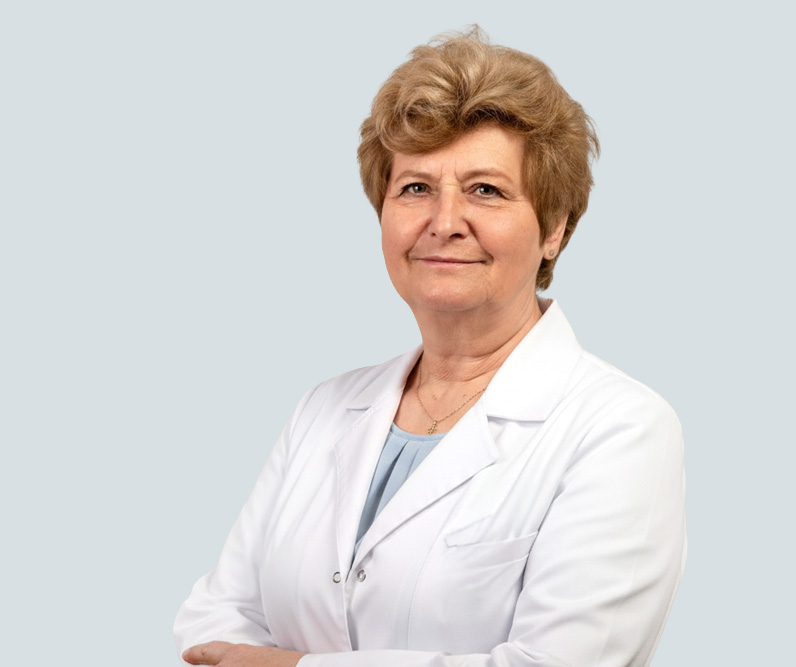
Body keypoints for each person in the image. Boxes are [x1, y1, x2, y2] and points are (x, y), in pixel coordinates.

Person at [174, 27, 686, 667]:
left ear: (554, 228)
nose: (444, 223)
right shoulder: (323, 409)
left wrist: (293, 666)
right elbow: (214, 619)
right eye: (415, 188)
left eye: (486, 190)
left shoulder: (620, 429)